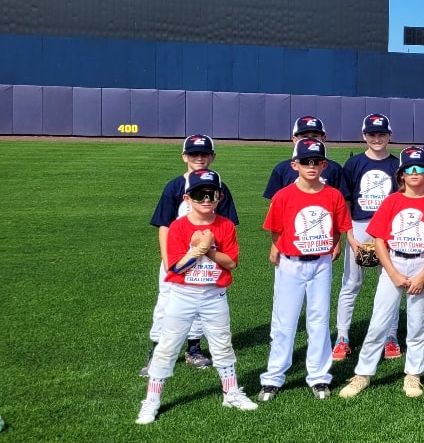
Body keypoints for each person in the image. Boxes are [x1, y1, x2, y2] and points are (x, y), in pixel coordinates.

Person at [136, 170, 257, 424]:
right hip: (183, 294)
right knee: (168, 346)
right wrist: (197, 249)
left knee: (222, 343)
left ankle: (231, 392)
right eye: (199, 194)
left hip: (214, 294)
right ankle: (151, 401)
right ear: (187, 198)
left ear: (219, 196)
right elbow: (176, 267)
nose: (206, 199)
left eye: (211, 194)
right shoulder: (179, 226)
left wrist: (209, 250)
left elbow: (232, 263)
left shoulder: (224, 225)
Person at [259, 138, 354, 401]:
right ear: (295, 164)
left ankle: (319, 377)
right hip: (292, 263)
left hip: (321, 264)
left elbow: (338, 229)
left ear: (324, 165)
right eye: (305, 161)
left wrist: (334, 246)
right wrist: (283, 249)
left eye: (317, 161)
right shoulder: (283, 195)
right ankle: (274, 377)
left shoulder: (333, 195)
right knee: (284, 322)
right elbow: (276, 230)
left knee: (319, 321)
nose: (311, 166)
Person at [338, 147, 424, 399]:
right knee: (379, 321)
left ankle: (413, 374)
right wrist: (391, 272)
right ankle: (363, 373)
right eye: (409, 169)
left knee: (416, 324)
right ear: (400, 175)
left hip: (421, 265)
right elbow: (379, 239)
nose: (414, 173)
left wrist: (423, 275)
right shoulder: (392, 201)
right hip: (395, 264)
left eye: (420, 169)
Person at [144, 134, 239, 376]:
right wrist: (168, 259)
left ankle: (193, 348)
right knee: (166, 301)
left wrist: (212, 251)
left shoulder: (219, 187)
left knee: (202, 300)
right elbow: (164, 224)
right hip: (178, 257)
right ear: (184, 156)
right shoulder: (175, 186)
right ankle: (157, 348)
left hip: (209, 258)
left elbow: (226, 225)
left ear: (213, 156)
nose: (199, 158)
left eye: (204, 154)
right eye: (194, 154)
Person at [334, 114, 402, 363]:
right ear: (364, 136)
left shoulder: (396, 165)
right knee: (351, 283)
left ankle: (391, 336)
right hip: (361, 225)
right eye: (372, 134)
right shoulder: (354, 165)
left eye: (381, 134)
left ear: (389, 136)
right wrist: (350, 236)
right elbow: (346, 201)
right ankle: (342, 337)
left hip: (388, 230)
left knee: (391, 283)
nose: (377, 138)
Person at [263, 116, 348, 200]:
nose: (310, 140)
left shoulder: (334, 168)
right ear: (295, 139)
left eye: (315, 136)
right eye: (304, 136)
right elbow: (275, 202)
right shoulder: (282, 169)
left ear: (323, 138)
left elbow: (344, 199)